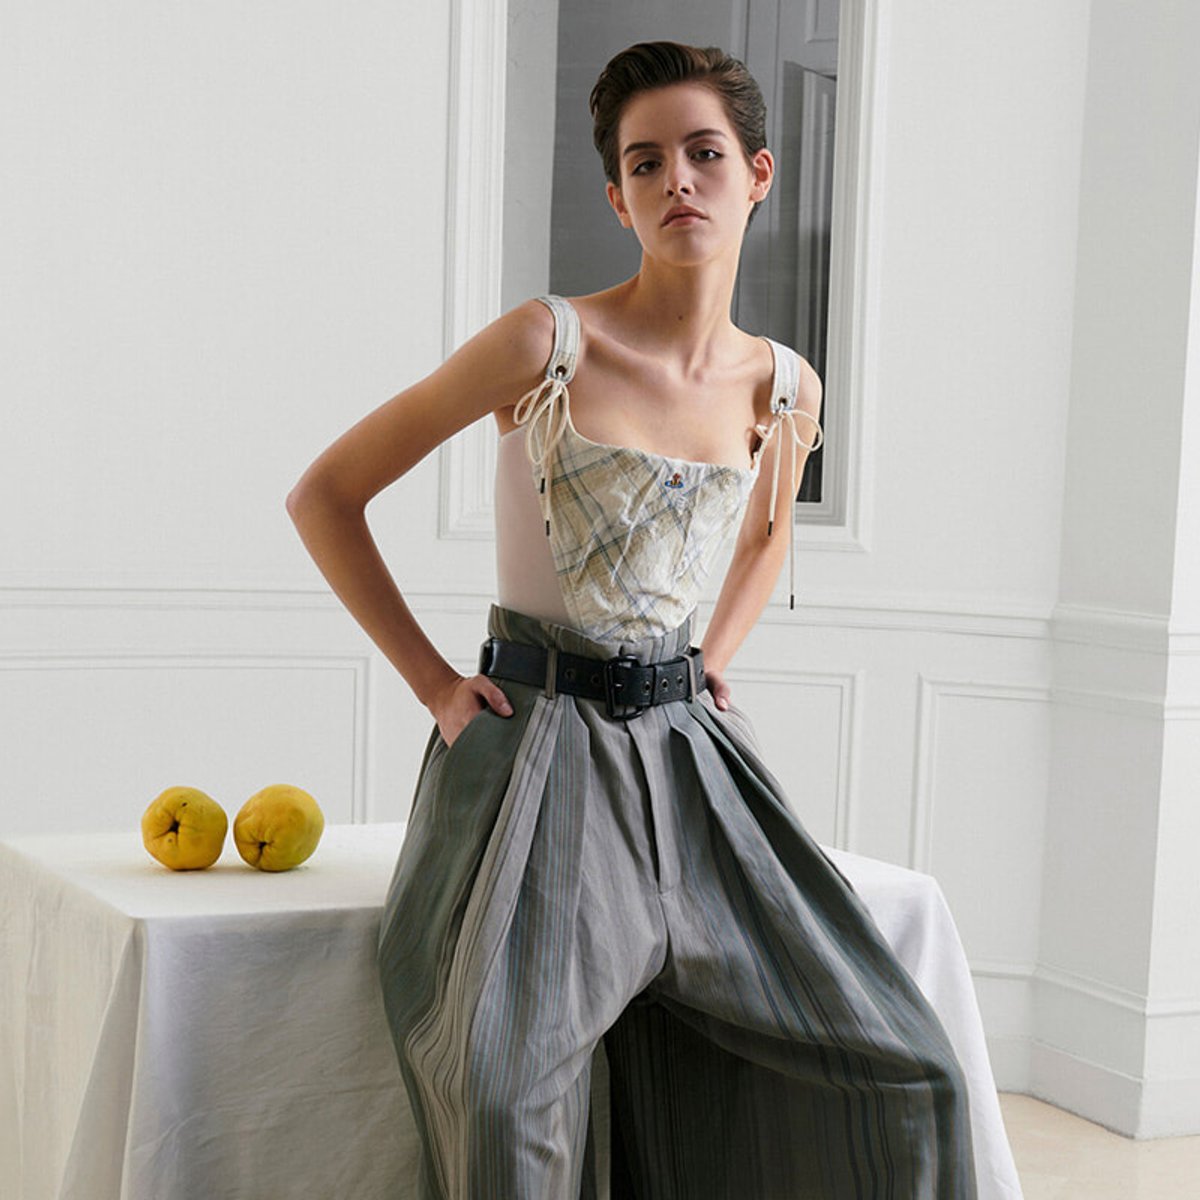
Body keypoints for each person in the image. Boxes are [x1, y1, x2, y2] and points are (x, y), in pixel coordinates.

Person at [287, 40, 979, 1200]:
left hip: (689, 757)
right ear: (617, 197)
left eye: (705, 154)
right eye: (645, 163)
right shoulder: (546, 344)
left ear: (759, 175)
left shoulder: (786, 385)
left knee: (911, 1071)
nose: (678, 182)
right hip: (535, 749)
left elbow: (765, 535)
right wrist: (435, 686)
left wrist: (713, 659)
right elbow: (326, 496)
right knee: (503, 1097)